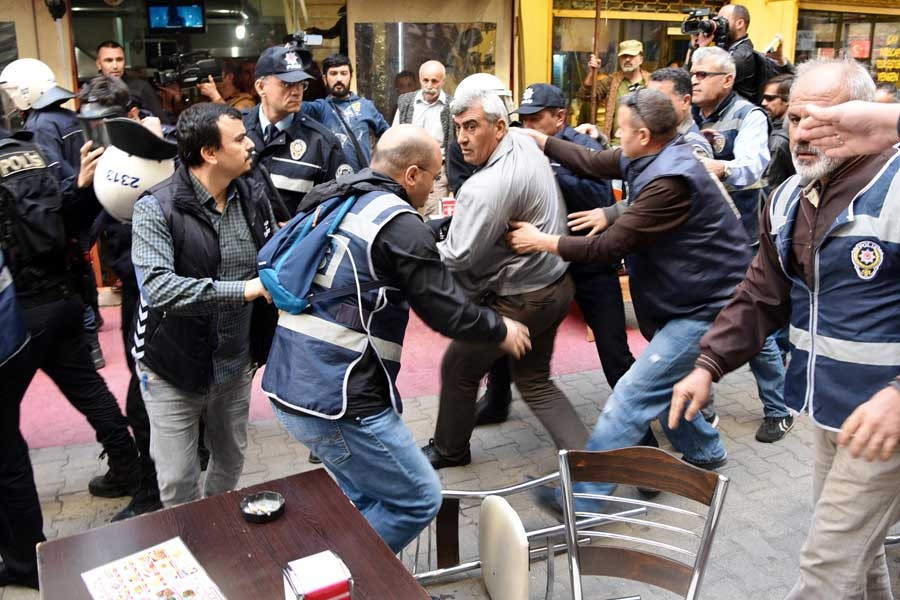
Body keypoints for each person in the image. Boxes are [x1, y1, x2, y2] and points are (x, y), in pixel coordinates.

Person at [668, 58, 900, 599]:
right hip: (831, 412)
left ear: (866, 118)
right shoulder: (791, 198)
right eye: (795, 119)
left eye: (823, 119)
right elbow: (761, 296)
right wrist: (709, 365)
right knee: (856, 558)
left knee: (824, 567)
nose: (801, 134)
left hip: (887, 423)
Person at [262, 124, 531, 553]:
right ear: (411, 175)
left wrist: (443, 226)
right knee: (417, 498)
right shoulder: (399, 223)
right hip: (340, 400)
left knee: (371, 499)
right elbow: (446, 310)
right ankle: (338, 582)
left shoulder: (342, 196)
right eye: (434, 176)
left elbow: (393, 249)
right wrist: (501, 329)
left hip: (292, 386)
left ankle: (354, 581)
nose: (435, 185)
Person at [505, 89, 749, 512]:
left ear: (642, 134)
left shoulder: (669, 180)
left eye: (621, 129)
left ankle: (584, 498)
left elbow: (607, 247)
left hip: (710, 304)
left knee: (631, 395)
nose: (615, 136)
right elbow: (593, 161)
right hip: (691, 298)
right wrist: (538, 140)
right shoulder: (653, 153)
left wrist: (540, 240)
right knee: (671, 382)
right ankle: (706, 454)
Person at [421, 88, 588, 470]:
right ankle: (591, 468)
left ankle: (450, 451)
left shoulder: (486, 187)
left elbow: (457, 256)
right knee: (534, 380)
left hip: (523, 299)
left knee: (459, 367)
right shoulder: (522, 141)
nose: (462, 137)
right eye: (459, 127)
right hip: (555, 286)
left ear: (499, 127)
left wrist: (416, 245)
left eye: (472, 127)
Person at [0, 62, 143, 499]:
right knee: (87, 385)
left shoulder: (39, 133)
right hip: (63, 295)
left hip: (19, 309)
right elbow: (71, 214)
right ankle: (126, 465)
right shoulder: (30, 150)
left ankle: (21, 529)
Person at [130, 102, 277, 508]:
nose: (251, 145)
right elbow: (159, 289)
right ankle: (190, 544)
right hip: (170, 369)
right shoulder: (156, 208)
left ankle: (215, 527)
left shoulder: (252, 194)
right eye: (240, 139)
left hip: (234, 364)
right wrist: (242, 290)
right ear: (210, 153)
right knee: (178, 480)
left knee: (229, 461)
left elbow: (274, 254)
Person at [475, 83, 634, 426]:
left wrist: (546, 176)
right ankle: (496, 402)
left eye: (536, 119)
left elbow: (597, 197)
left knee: (613, 350)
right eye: (524, 119)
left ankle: (638, 422)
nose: (527, 127)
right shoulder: (515, 148)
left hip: (589, 263)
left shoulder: (582, 147)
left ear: (559, 117)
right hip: (541, 265)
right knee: (509, 337)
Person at [691, 46, 792, 442]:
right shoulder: (695, 113)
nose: (695, 80)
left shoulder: (749, 116)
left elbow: (753, 165)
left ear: (727, 80)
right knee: (701, 321)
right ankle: (704, 409)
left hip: (740, 242)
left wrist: (717, 166)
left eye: (702, 75)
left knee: (754, 327)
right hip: (703, 241)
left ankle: (778, 409)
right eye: (693, 74)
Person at [1, 58, 107, 369]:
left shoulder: (39, 125)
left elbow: (52, 180)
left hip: (69, 205)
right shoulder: (66, 117)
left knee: (74, 267)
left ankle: (90, 341)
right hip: (91, 202)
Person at [244, 45, 350, 219]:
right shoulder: (236, 131)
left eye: (301, 84)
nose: (296, 92)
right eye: (286, 84)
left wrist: (300, 228)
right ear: (261, 87)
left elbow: (339, 209)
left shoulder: (322, 143)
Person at [301, 54, 391, 172]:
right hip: (331, 183)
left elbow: (389, 136)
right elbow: (291, 107)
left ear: (350, 77)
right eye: (333, 73)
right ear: (324, 79)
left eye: (343, 73)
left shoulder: (366, 106)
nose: (339, 79)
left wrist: (380, 165)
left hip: (363, 181)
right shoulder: (319, 108)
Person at [393, 60, 452, 218]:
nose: (429, 85)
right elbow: (395, 135)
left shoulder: (451, 106)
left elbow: (455, 143)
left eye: (435, 81)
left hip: (438, 173)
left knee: (433, 216)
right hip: (408, 171)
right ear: (420, 80)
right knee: (403, 212)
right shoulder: (406, 102)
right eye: (425, 80)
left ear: (443, 82)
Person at [577, 40, 651, 144]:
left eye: (632, 56)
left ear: (641, 59)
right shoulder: (612, 80)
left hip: (645, 143)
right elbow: (586, 95)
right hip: (616, 144)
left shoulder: (652, 81)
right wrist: (592, 73)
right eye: (624, 56)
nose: (628, 59)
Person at [647, 67, 712, 157]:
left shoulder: (693, 149)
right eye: (647, 99)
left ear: (685, 101)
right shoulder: (650, 134)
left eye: (659, 100)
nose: (650, 106)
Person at [95, 40, 165, 120]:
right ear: (99, 64)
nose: (115, 66)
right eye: (109, 60)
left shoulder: (141, 87)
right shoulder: (91, 91)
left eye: (119, 60)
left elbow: (162, 123)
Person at [761, 73, 795, 191]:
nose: (764, 103)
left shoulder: (779, 141)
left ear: (787, 100)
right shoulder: (784, 131)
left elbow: (770, 187)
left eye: (770, 98)